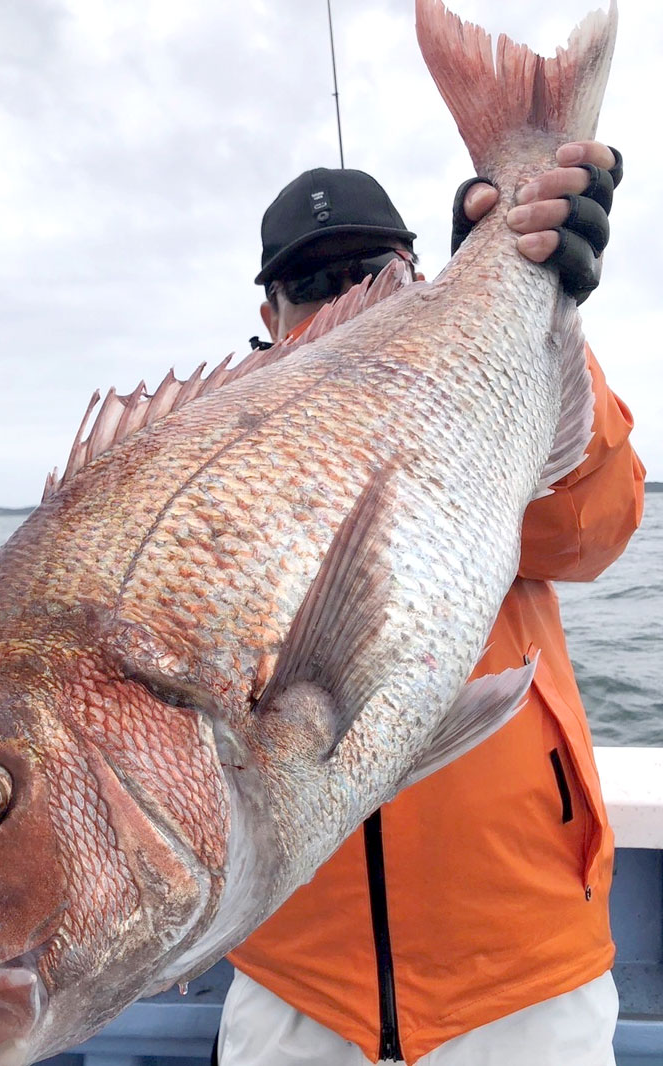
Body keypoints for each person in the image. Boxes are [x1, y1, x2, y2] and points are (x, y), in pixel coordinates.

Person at [216, 147, 646, 1066]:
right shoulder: (224, 455)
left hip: (523, 974)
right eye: (310, 282)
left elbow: (592, 533)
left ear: (415, 273)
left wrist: (533, 315)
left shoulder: (483, 392)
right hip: (294, 983)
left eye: (371, 270)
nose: (343, 296)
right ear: (269, 314)